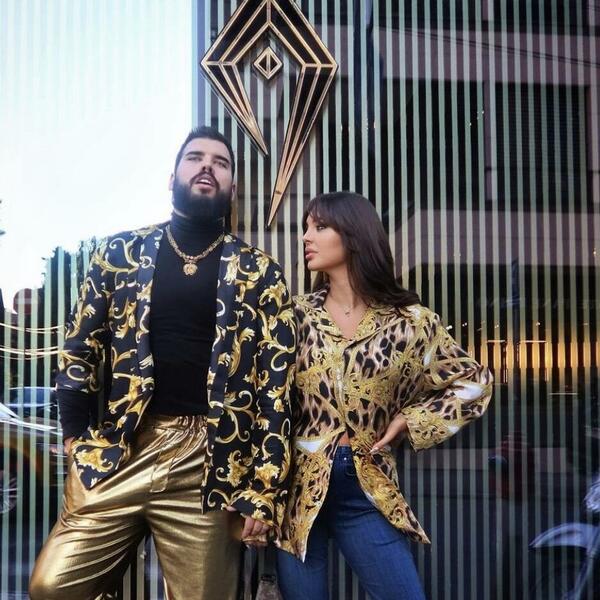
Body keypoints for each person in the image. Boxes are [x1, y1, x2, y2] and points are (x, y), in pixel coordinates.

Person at [29, 126, 296, 600]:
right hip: (122, 446)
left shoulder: (260, 273)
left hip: (209, 460)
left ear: (233, 187)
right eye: (195, 157)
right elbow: (79, 348)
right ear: (171, 177)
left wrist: (263, 487)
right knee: (52, 587)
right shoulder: (119, 254)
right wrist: (74, 438)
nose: (207, 166)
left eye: (221, 162)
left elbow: (276, 389)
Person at [276, 192, 493, 600]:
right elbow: (266, 402)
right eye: (306, 227)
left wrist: (412, 420)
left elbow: (474, 382)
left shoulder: (409, 323)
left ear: (353, 235)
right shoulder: (295, 317)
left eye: (319, 227)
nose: (306, 237)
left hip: (366, 484)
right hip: (297, 490)